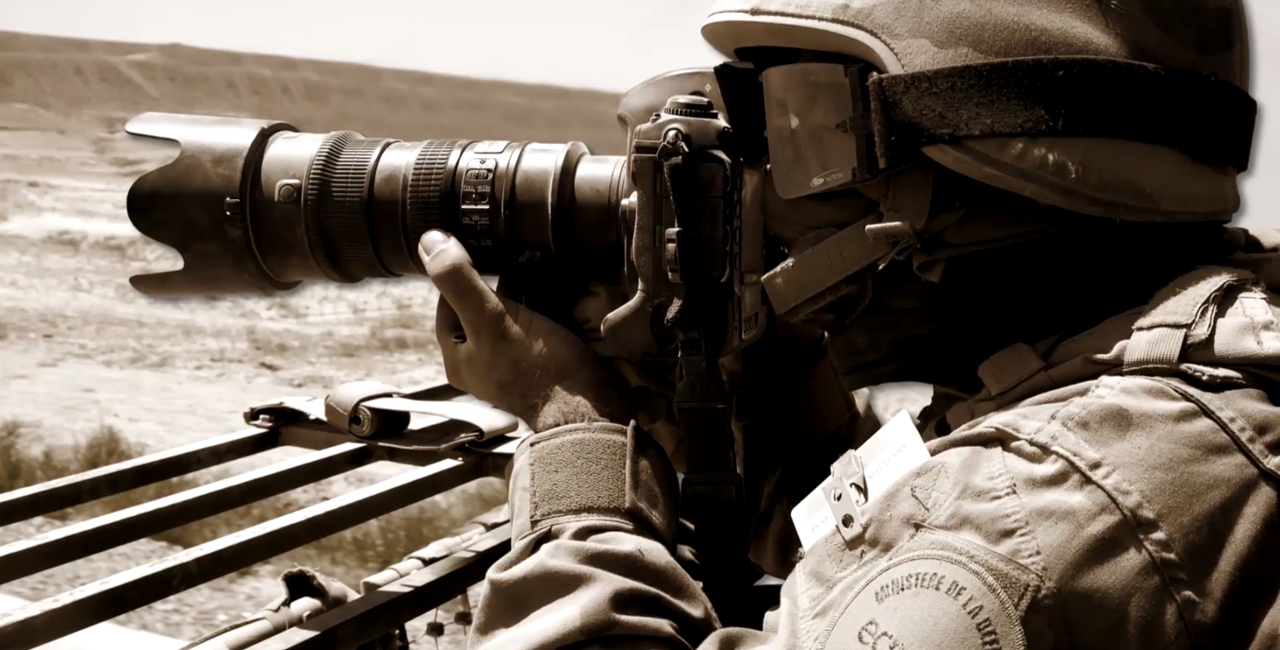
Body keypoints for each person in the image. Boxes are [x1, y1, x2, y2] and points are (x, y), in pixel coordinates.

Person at [418, 0, 1280, 647]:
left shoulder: (1037, 511)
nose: (764, 191)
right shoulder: (1145, 363)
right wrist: (770, 391)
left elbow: (976, 532)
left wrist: (570, 429)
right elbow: (861, 544)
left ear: (1003, 166)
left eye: (806, 129)